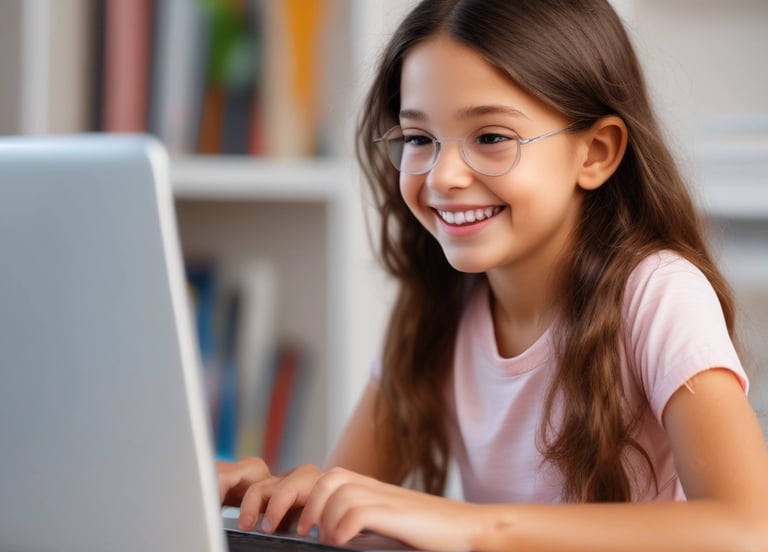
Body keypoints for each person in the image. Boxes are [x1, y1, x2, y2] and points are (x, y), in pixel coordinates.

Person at [218, 1, 768, 549]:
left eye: (491, 137)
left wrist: (475, 527)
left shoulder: (660, 293)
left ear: (596, 153)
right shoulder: (438, 309)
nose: (445, 176)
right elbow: (348, 516)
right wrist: (281, 505)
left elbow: (747, 527)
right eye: (418, 139)